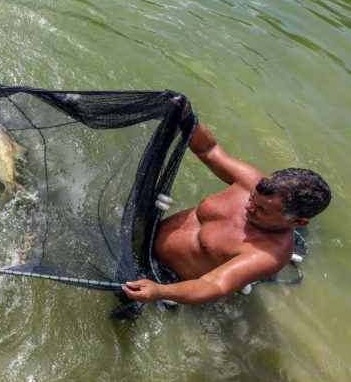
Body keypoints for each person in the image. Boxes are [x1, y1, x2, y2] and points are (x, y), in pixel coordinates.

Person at [123, 117, 331, 305]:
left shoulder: (270, 254)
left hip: (167, 277)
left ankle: (251, 278)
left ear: (298, 222)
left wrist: (159, 291)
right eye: (252, 198)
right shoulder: (251, 180)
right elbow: (208, 149)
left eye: (261, 209)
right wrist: (186, 115)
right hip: (146, 236)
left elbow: (213, 285)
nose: (249, 207)